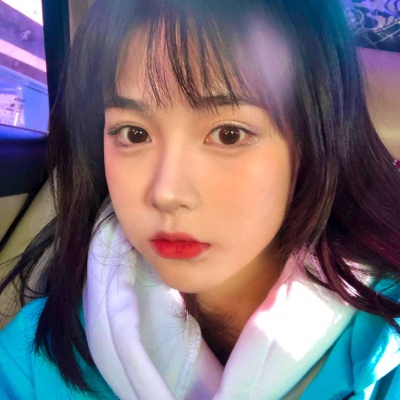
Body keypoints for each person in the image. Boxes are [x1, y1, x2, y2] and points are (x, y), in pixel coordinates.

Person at [0, 0, 399, 398]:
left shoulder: (384, 344)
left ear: (313, 143)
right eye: (134, 133)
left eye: (229, 134)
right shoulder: (33, 354)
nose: (166, 193)